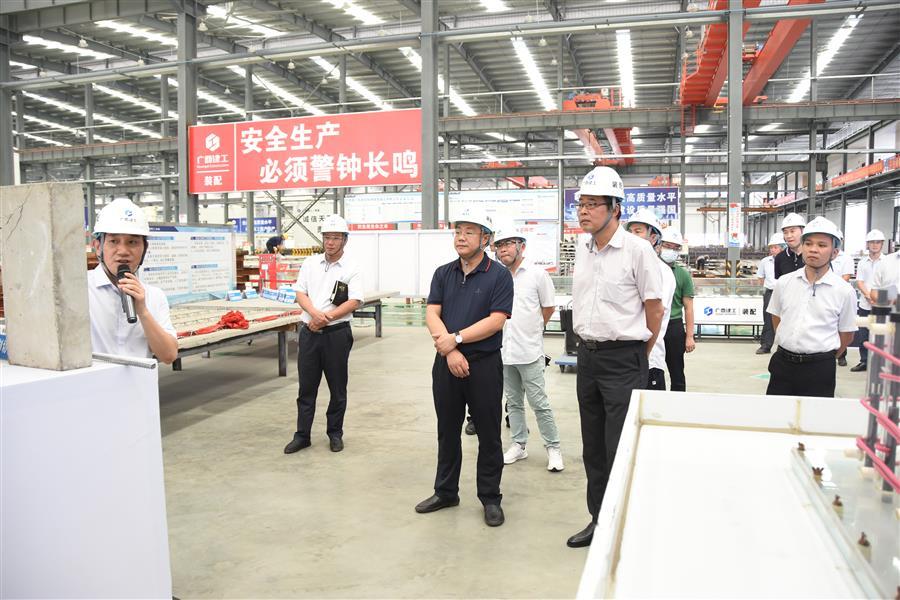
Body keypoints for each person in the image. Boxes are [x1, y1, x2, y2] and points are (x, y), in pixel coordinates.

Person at [567, 166, 664, 548]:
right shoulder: (583, 248)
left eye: (593, 204)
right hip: (588, 359)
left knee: (619, 446)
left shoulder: (638, 251)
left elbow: (654, 309)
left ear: (615, 209)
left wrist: (637, 354)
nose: (584, 211)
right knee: (593, 447)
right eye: (581, 204)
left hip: (624, 359)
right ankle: (599, 520)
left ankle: (625, 525)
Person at [416, 209, 514, 527]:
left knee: (488, 433)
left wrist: (455, 340)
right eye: (458, 231)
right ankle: (446, 492)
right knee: (447, 430)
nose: (461, 237)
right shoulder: (443, 273)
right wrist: (450, 350)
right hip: (446, 362)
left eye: (469, 231)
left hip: (483, 364)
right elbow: (432, 313)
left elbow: (496, 321)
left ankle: (490, 497)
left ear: (485, 239)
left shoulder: (499, 275)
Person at [284, 214, 363, 455]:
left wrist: (325, 318)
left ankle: (335, 434)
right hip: (309, 332)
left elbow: (354, 301)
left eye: (336, 238)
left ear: (344, 240)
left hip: (336, 334)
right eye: (327, 237)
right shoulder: (310, 263)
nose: (330, 242)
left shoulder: (351, 267)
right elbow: (300, 293)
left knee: (337, 388)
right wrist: (314, 315)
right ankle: (302, 435)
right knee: (306, 388)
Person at [492, 223, 564, 473]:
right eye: (499, 245)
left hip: (529, 351)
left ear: (521, 246)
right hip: (504, 352)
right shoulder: (496, 276)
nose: (503, 249)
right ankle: (519, 444)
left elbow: (548, 307)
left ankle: (553, 448)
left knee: (539, 403)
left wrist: (533, 329)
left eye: (508, 244)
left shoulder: (537, 274)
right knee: (513, 403)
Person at [765, 217, 857, 398]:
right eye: (808, 244)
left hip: (819, 369)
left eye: (822, 245)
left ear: (834, 252)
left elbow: (847, 334)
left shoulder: (844, 291)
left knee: (815, 415)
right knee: (776, 413)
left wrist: (821, 356)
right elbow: (777, 318)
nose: (813, 249)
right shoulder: (784, 282)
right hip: (783, 364)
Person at [88, 197, 178, 364]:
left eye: (132, 242)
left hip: (140, 381)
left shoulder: (154, 295)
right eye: (114, 241)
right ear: (98, 246)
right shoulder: (81, 289)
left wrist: (143, 311)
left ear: (145, 248)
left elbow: (169, 356)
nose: (123, 251)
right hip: (94, 381)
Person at [624, 209, 674, 391]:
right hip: (625, 359)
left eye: (638, 231)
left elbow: (655, 314)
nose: (632, 236)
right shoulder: (628, 266)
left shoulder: (662, 271)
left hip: (649, 360)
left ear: (653, 238)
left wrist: (642, 354)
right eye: (630, 232)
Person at [659, 228, 696, 390]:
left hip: (673, 326)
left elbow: (688, 308)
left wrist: (689, 337)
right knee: (652, 370)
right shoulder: (648, 269)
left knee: (677, 372)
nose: (671, 251)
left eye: (676, 248)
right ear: (659, 245)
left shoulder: (682, 274)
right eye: (668, 246)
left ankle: (678, 400)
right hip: (651, 324)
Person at [851, 229, 885, 372]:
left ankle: (879, 364)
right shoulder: (862, 263)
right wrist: (868, 295)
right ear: (867, 244)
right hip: (865, 305)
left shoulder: (888, 262)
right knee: (863, 335)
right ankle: (864, 361)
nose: (875, 245)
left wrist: (878, 298)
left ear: (882, 244)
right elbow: (859, 281)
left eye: (878, 242)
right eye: (872, 242)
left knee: (880, 336)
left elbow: (891, 283)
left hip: (881, 305)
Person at [756, 232, 786, 355]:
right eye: (771, 247)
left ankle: (784, 346)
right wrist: (765, 289)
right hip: (770, 292)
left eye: (775, 247)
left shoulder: (787, 261)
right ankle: (765, 345)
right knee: (768, 319)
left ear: (783, 247)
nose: (772, 250)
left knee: (787, 318)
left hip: (786, 292)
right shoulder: (765, 261)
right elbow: (760, 277)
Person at [773, 212, 806, 279]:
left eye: (792, 231)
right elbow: (779, 282)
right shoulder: (779, 258)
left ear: (802, 231)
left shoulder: (811, 255)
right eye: (785, 232)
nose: (789, 236)